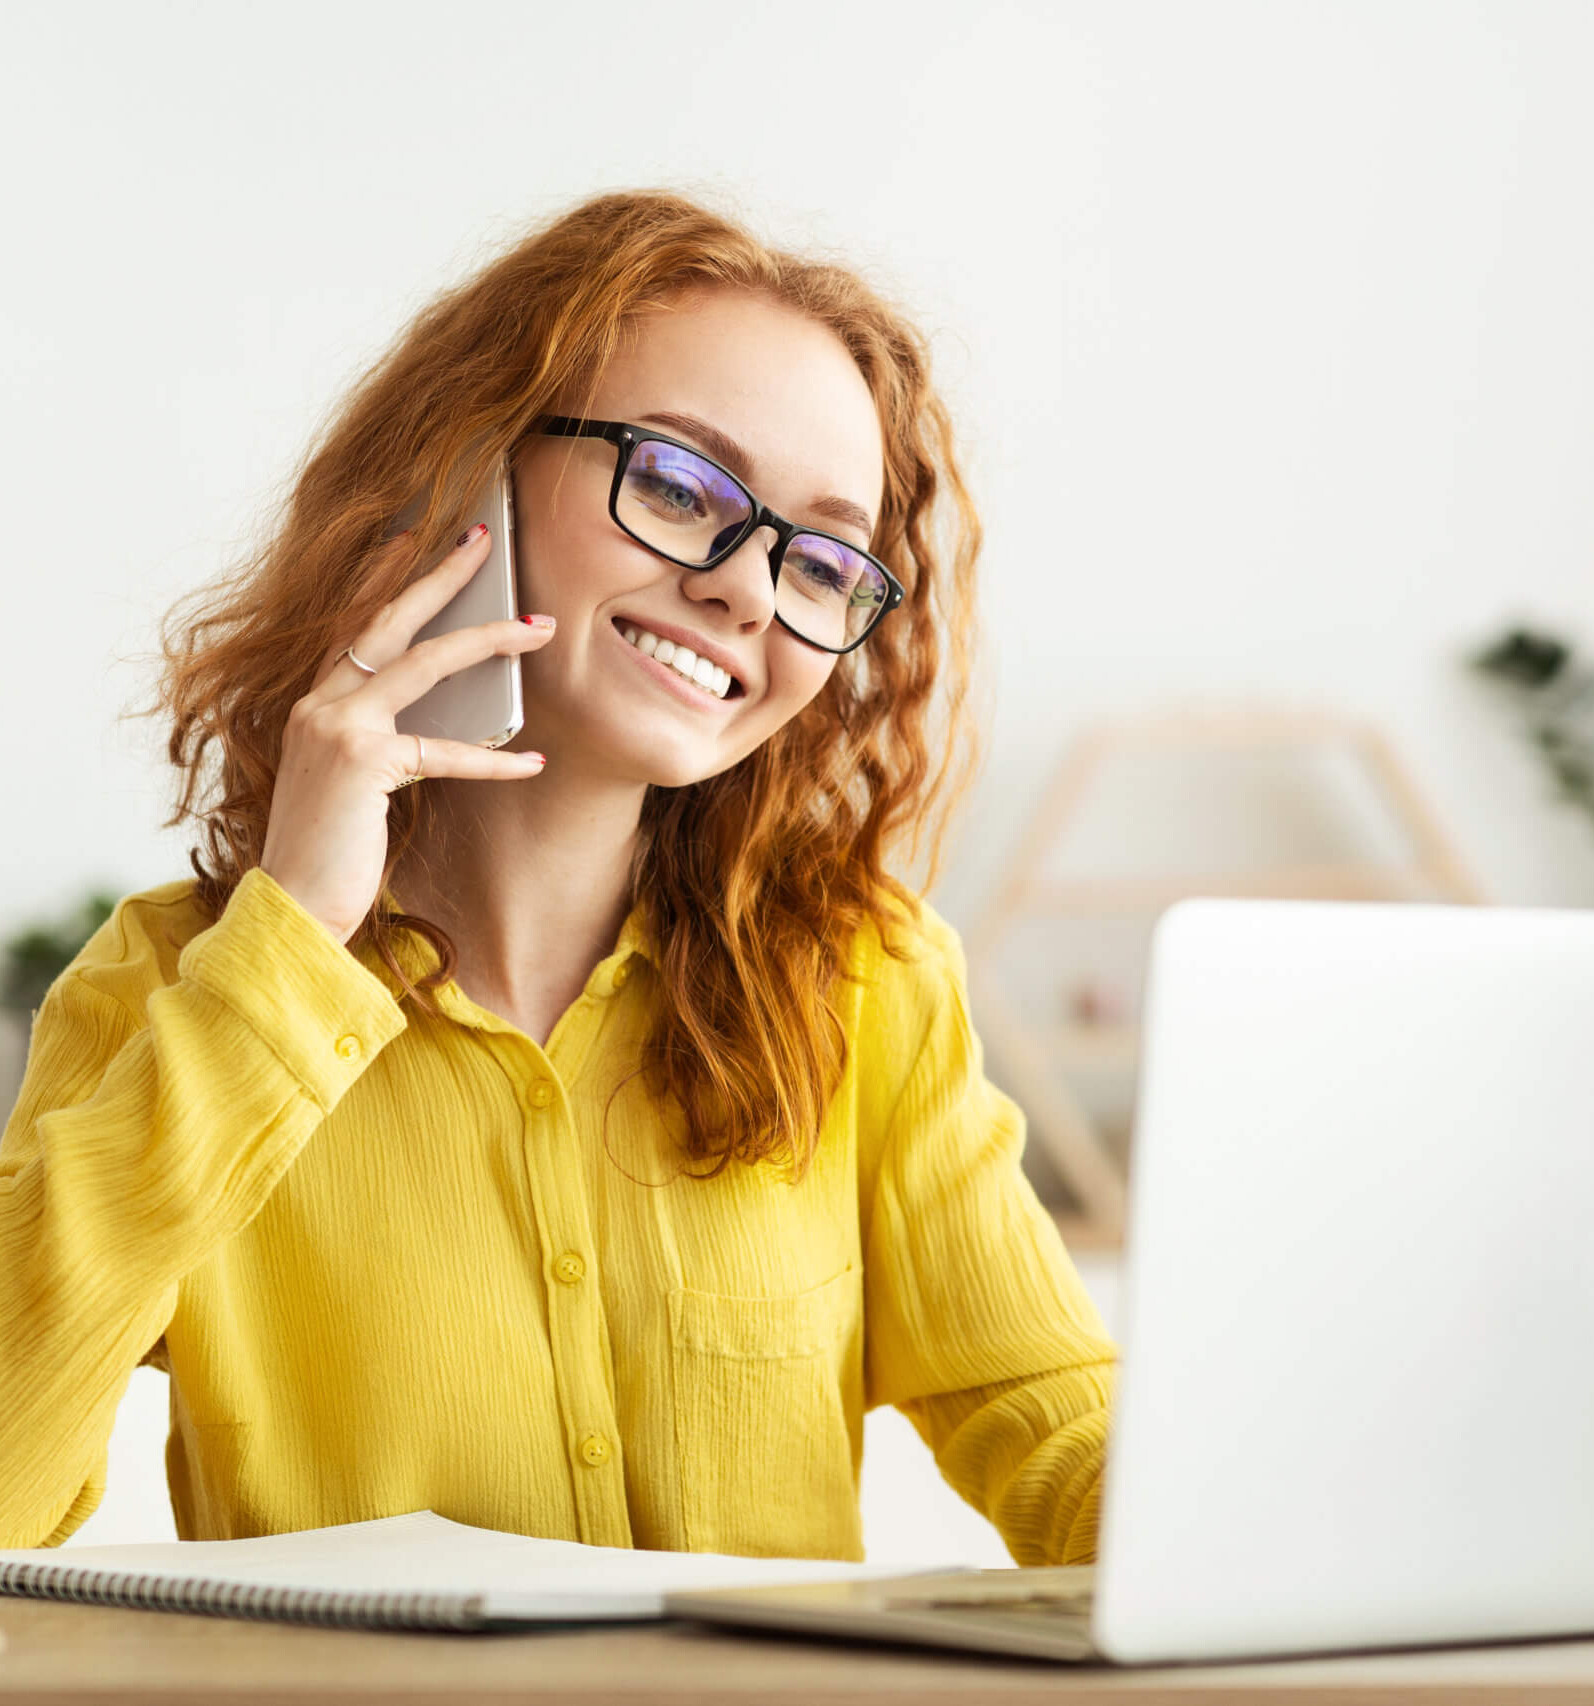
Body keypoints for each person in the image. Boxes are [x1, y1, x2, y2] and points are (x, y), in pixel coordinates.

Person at [0, 190, 1117, 1563]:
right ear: (464, 469)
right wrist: (288, 950)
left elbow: (1047, 1415)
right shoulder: (173, 990)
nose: (750, 593)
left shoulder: (863, 976)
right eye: (677, 486)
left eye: (822, 560)